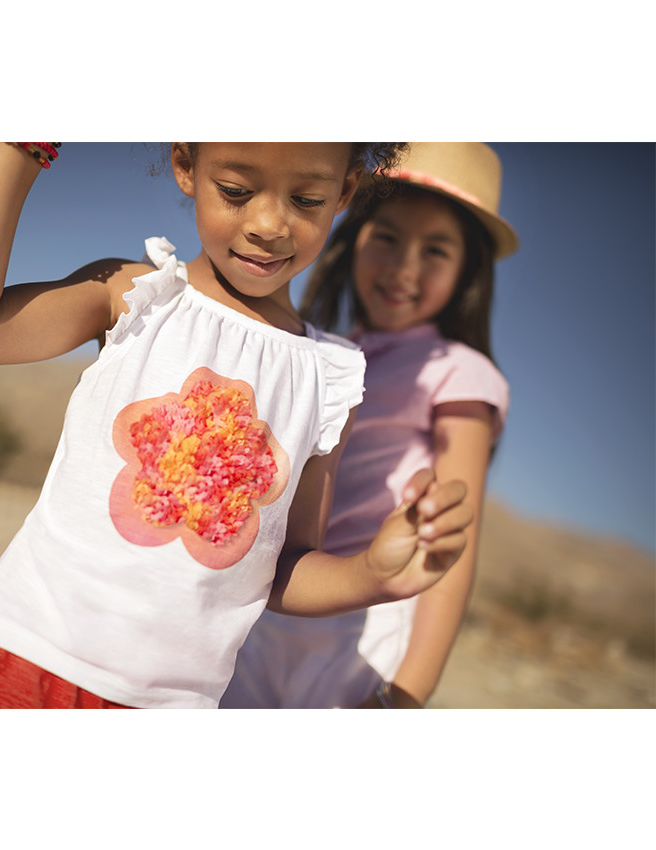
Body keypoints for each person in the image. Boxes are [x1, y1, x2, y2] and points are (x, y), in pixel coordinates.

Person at [0, 142, 473, 710]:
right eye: (237, 190)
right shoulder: (138, 297)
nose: (270, 223)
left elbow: (281, 567)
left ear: (345, 194)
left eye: (307, 200)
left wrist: (371, 575)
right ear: (186, 166)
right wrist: (22, 146)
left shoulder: (329, 379)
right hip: (22, 655)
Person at [220, 142, 518, 709]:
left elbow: (452, 551)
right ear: (354, 233)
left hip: (365, 626)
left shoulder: (461, 372)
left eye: (436, 250)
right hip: (273, 605)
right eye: (387, 237)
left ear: (467, 272)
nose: (405, 267)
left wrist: (408, 694)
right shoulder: (322, 354)